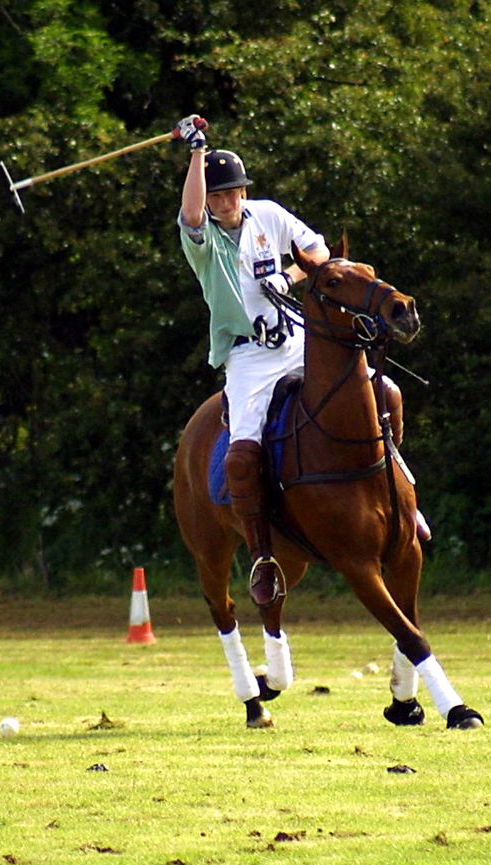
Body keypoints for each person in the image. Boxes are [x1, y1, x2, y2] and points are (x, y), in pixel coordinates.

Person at [176, 114, 330, 608]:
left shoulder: (269, 214)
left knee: (373, 391)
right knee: (243, 450)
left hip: (298, 339)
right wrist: (197, 152)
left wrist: (289, 276)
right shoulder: (204, 241)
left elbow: (319, 250)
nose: (225, 202)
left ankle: (402, 502)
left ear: (245, 191)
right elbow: (193, 212)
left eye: (232, 192)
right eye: (218, 195)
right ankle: (263, 555)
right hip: (247, 357)